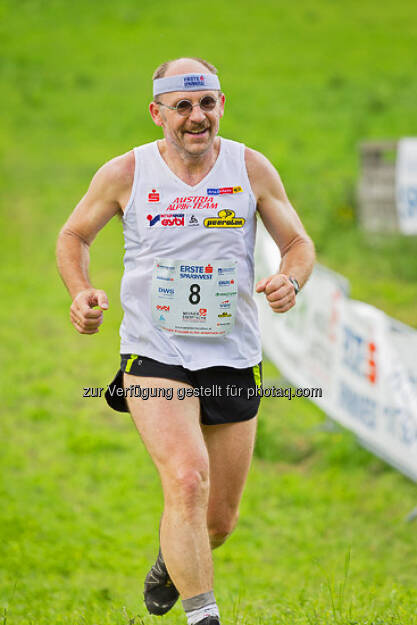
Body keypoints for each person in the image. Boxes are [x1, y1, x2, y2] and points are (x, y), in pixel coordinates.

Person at [56, 56, 315, 625]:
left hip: (233, 351)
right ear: (157, 113)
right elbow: (74, 234)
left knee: (217, 521)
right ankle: (204, 616)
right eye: (182, 106)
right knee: (186, 479)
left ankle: (171, 561)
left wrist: (290, 279)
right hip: (155, 353)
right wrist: (81, 291)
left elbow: (297, 241)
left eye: (207, 103)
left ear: (222, 105)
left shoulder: (251, 168)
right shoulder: (125, 173)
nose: (196, 117)